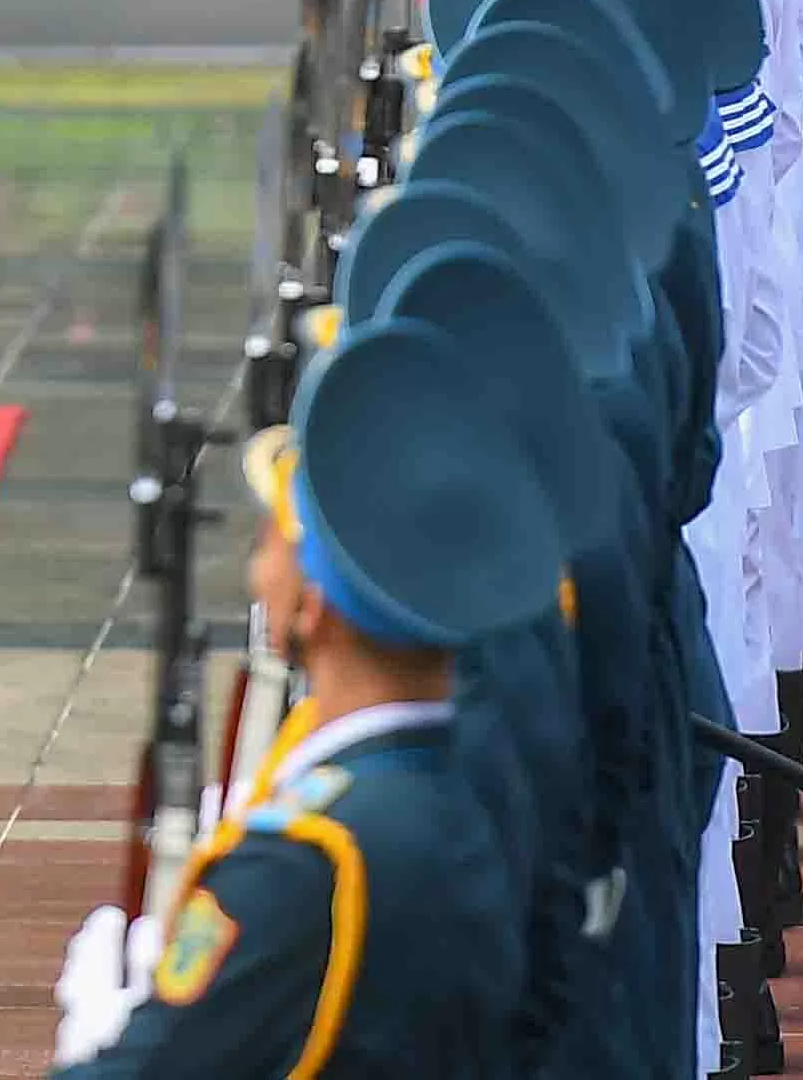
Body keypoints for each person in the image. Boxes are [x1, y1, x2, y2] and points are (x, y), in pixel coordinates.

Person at [53, 317, 552, 1076]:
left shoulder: (306, 861)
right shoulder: (486, 771)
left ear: (310, 605)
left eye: (272, 545)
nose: (258, 571)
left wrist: (97, 1030)